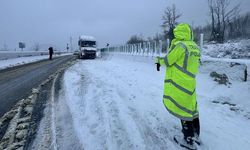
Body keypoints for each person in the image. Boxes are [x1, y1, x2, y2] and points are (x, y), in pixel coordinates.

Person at [155, 23, 201, 149]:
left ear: (179, 33)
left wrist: (157, 60)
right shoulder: (195, 46)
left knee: (183, 109)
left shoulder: (181, 46)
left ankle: (188, 139)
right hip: (191, 82)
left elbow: (168, 60)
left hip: (180, 82)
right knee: (192, 108)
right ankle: (196, 134)